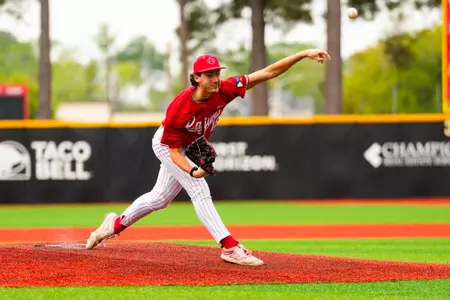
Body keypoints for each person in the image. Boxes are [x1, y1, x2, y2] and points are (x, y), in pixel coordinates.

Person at [85, 48, 331, 266]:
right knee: (199, 189)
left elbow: (266, 73)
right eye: (209, 74)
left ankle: (113, 225)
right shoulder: (179, 108)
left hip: (187, 145)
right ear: (196, 78)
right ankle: (230, 247)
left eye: (217, 73)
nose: (215, 78)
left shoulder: (225, 90)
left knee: (159, 199)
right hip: (166, 144)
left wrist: (301, 54)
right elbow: (172, 151)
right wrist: (192, 171)